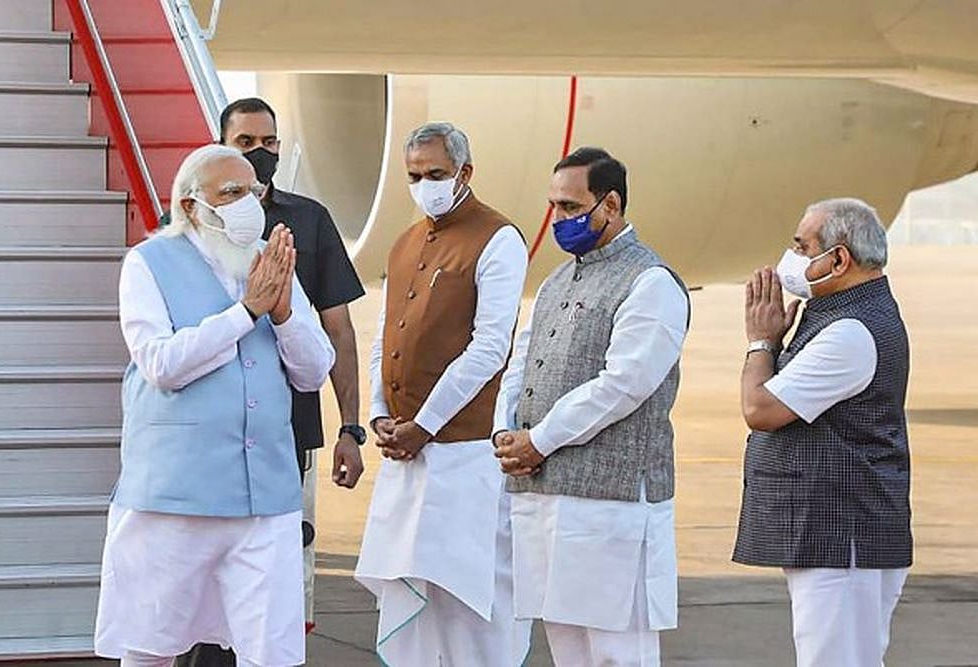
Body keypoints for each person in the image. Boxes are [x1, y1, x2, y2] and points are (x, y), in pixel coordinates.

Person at [94, 144, 335, 667]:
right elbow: (161, 364)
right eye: (231, 193)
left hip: (264, 498)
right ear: (189, 205)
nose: (246, 203)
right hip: (175, 497)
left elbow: (314, 371)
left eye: (252, 192)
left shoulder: (272, 266)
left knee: (272, 653)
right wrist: (247, 312)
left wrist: (286, 311)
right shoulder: (148, 263)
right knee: (151, 645)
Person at [176, 97, 366, 667]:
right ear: (220, 145)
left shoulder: (308, 220)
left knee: (276, 583)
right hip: (208, 439)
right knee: (202, 587)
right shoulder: (181, 239)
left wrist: (350, 427)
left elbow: (339, 328)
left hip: (287, 434)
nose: (262, 154)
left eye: (270, 143)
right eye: (247, 144)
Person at [493, 147, 689, 666]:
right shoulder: (558, 280)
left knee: (616, 653)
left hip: (613, 503)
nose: (560, 219)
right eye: (554, 207)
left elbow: (623, 385)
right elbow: (521, 364)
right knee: (568, 649)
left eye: (571, 207)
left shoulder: (651, 282)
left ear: (612, 204)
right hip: (546, 496)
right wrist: (505, 432)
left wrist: (540, 440)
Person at [354, 122, 531, 665]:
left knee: (471, 597)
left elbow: (489, 347)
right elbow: (385, 334)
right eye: (415, 175)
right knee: (415, 594)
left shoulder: (498, 238)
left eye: (436, 173)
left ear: (465, 173)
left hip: (467, 453)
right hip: (408, 453)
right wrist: (380, 413)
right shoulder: (406, 241)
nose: (425, 184)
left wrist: (425, 425)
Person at [733, 198, 912, 667]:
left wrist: (760, 341)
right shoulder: (842, 314)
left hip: (844, 540)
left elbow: (760, 408)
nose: (790, 257)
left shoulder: (850, 332)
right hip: (835, 535)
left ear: (838, 259)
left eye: (801, 245)